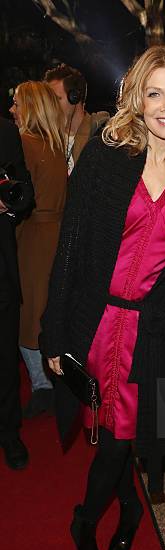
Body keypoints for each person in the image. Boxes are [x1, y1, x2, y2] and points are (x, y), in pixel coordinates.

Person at [40, 45, 165, 550]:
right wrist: (52, 335)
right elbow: (70, 250)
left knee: (121, 436)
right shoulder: (106, 158)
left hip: (147, 334)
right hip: (96, 323)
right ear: (136, 97)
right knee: (112, 433)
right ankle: (100, 516)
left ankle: (99, 515)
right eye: (155, 92)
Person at [9, 81, 67, 418]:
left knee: (26, 316)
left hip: (30, 237)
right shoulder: (55, 144)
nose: (12, 110)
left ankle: (41, 384)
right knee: (47, 311)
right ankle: (52, 382)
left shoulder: (25, 143)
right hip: (55, 234)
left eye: (17, 103)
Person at [0, 117, 34, 469]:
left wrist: (9, 204)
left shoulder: (5, 131)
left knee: (5, 360)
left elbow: (25, 192)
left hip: (1, 268)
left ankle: (9, 431)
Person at [44, 64, 109, 174]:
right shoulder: (47, 138)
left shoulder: (102, 138)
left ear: (74, 97)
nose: (49, 105)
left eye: (56, 99)